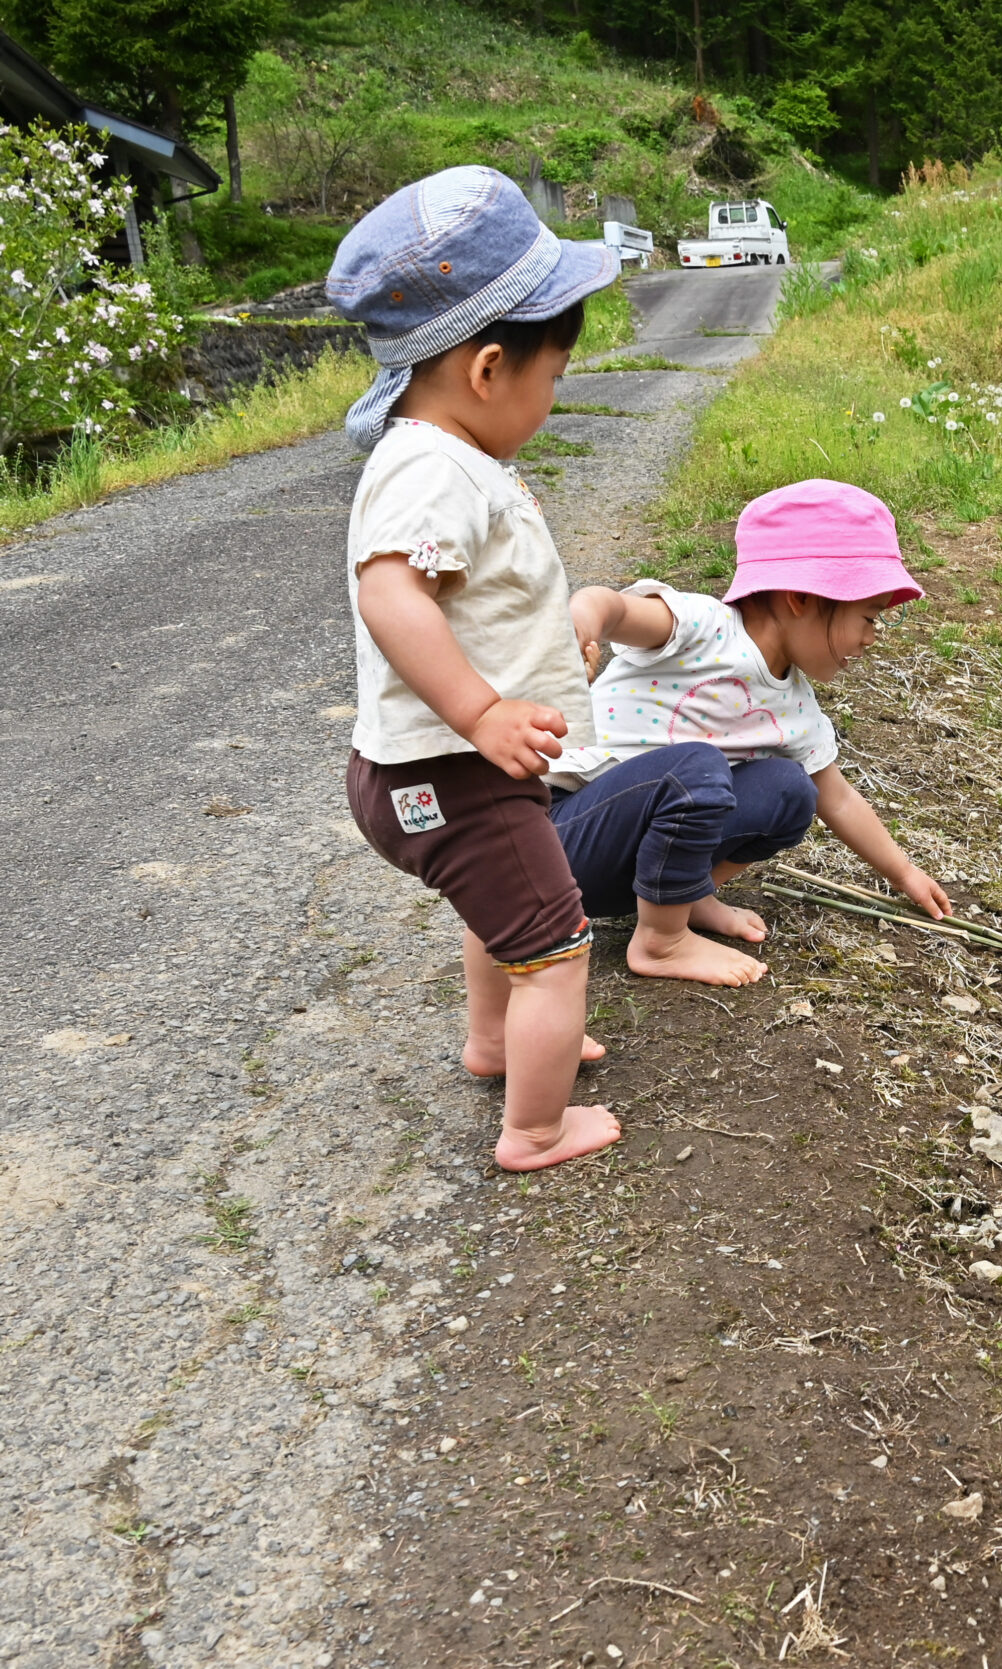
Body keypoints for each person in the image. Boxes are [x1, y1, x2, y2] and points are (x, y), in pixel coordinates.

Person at [331, 166, 624, 1172]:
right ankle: (537, 1126)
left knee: (507, 915)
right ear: (490, 369)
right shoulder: (430, 465)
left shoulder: (451, 455)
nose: (555, 395)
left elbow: (476, 594)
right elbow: (391, 596)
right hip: (450, 773)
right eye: (556, 375)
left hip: (444, 770)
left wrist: (542, 650)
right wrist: (483, 710)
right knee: (559, 946)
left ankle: (497, 1042)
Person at [550, 478, 951, 985]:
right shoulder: (703, 627)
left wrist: (905, 874)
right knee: (697, 767)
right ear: (802, 597)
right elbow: (613, 607)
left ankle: (682, 899)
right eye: (869, 617)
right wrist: (582, 622)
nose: (872, 637)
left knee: (791, 789)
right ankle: (660, 943)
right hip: (561, 840)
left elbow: (840, 800)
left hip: (629, 874)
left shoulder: (797, 708)